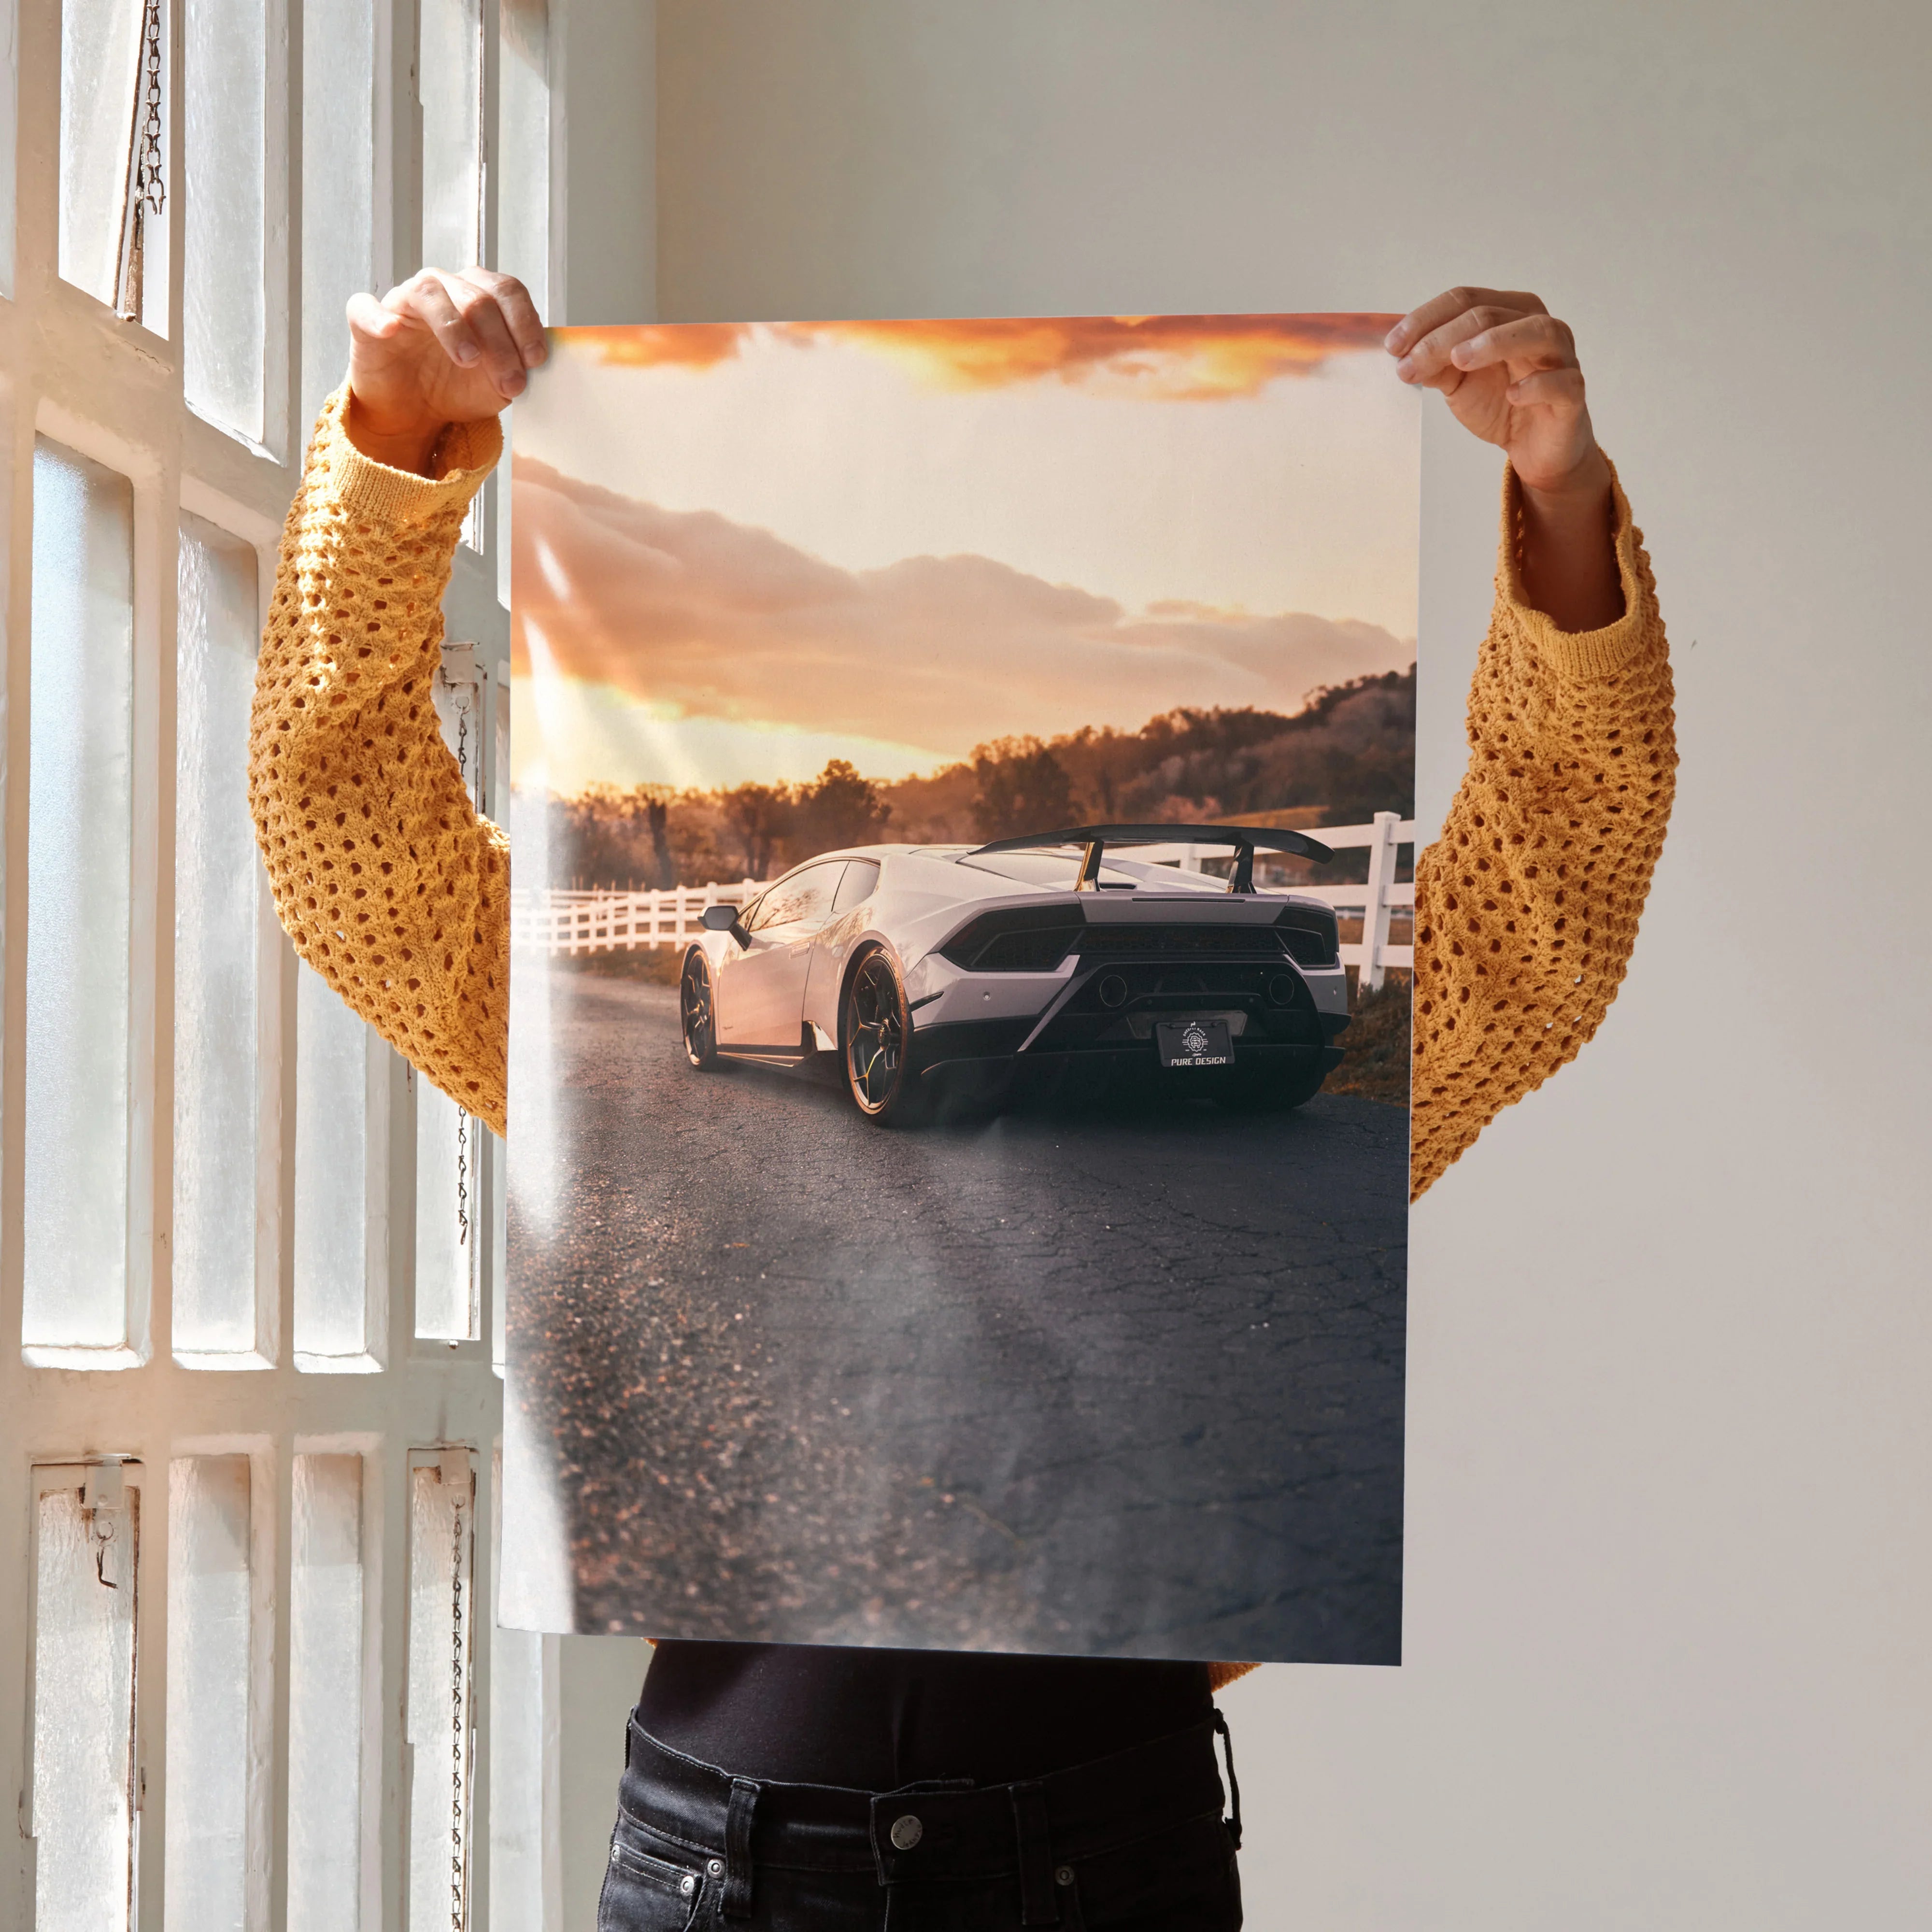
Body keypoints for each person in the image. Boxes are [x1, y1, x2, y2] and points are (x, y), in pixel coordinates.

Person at [250, 272, 1674, 1929]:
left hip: (1095, 1849)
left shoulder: (1215, 1108)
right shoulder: (626, 1093)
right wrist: (392, 450)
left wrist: (1561, 499)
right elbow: (351, 848)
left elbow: (1542, 919)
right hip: (738, 1864)